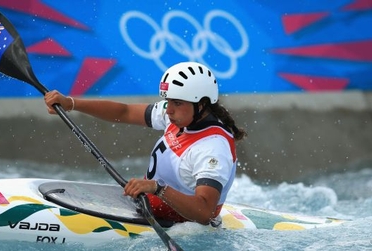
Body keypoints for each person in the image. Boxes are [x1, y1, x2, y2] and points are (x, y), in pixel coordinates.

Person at [44, 62, 246, 226]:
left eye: (177, 103)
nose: (168, 111)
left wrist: (157, 189)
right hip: (145, 207)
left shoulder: (213, 148)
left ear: (201, 105)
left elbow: (205, 213)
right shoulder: (180, 116)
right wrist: (71, 103)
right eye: (168, 102)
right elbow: (124, 112)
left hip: (179, 226)